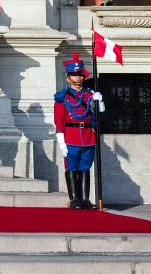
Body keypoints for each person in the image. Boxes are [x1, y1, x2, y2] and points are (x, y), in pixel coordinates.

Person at [54, 53, 103, 209]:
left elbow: (99, 114)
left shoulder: (90, 94)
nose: (78, 78)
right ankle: (74, 199)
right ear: (69, 78)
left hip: (88, 136)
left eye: (80, 74)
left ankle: (85, 199)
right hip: (71, 136)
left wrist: (100, 102)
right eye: (74, 75)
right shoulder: (63, 96)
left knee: (85, 168)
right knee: (72, 167)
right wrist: (61, 141)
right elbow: (59, 119)